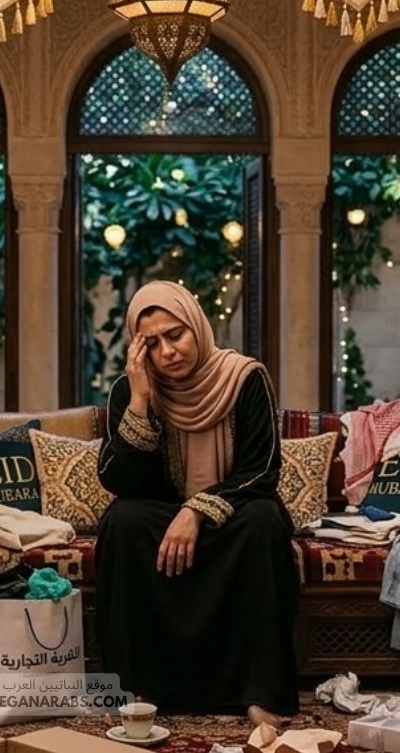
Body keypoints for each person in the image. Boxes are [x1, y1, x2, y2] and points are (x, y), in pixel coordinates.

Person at [95, 280, 298, 725]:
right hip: (165, 521)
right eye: (152, 343)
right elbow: (119, 481)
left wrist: (196, 509)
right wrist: (141, 402)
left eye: (176, 334)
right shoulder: (130, 393)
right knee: (123, 521)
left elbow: (263, 471)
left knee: (264, 519)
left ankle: (262, 691)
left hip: (234, 513)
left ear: (197, 326)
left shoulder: (245, 378)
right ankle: (138, 687)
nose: (168, 351)